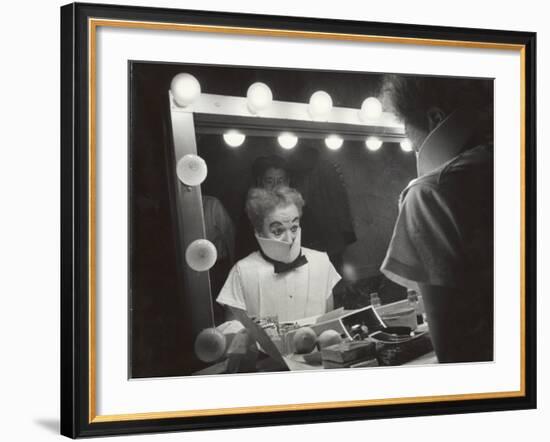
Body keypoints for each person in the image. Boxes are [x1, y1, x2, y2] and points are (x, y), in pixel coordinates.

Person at [379, 74, 494, 363]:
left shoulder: (430, 194)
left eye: (409, 136)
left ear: (435, 118)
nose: (414, 148)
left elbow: (454, 349)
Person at [217, 186, 341, 322]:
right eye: (278, 231)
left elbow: (330, 325)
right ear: (259, 232)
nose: (289, 240)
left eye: (294, 228)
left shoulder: (320, 262)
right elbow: (233, 333)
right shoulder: (242, 271)